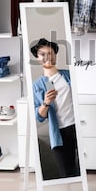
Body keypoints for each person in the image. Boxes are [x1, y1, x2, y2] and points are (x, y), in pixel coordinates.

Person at [31, 38, 79, 178]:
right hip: (59, 132)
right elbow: (39, 116)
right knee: (67, 171)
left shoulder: (69, 75)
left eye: (50, 53)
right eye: (43, 54)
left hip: (77, 126)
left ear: (55, 54)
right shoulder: (37, 86)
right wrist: (45, 103)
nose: (48, 57)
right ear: (37, 58)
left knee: (84, 167)